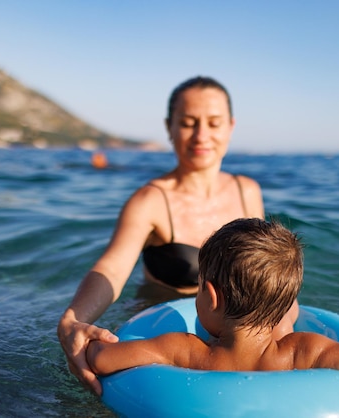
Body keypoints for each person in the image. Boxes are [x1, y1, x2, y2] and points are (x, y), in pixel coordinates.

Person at [57, 76, 299, 395]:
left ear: (230, 126)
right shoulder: (150, 201)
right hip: (165, 324)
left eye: (213, 123)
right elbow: (113, 268)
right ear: (169, 127)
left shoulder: (247, 191)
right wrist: (74, 319)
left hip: (238, 330)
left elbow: (261, 266)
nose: (202, 135)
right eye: (188, 123)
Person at [86, 218, 339, 387]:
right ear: (287, 305)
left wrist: (95, 343)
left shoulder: (187, 351)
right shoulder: (302, 351)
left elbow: (104, 359)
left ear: (211, 298)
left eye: (200, 286)